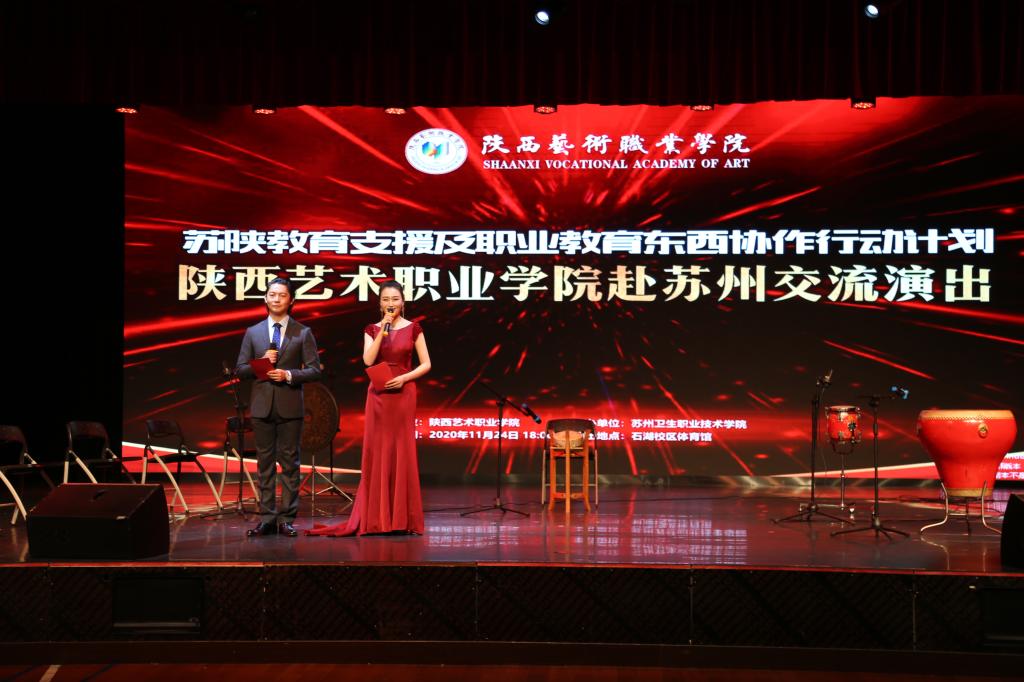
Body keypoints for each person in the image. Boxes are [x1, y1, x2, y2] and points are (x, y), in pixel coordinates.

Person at [308, 280, 430, 536]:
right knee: (379, 451)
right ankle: (377, 518)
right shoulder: (372, 329)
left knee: (402, 450)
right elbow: (368, 359)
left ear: (403, 302)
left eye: (395, 299)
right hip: (378, 395)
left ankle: (401, 519)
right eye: (386, 300)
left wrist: (405, 378)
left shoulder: (414, 328)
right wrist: (383, 330)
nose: (391, 304)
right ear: (380, 304)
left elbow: (426, 364)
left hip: (403, 394)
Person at [235, 277, 322, 537]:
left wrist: (288, 375)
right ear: (265, 298)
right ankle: (267, 518)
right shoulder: (253, 332)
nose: (276, 299)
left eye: (282, 295)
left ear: (291, 300)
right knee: (265, 464)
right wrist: (260, 361)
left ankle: (286, 519)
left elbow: (315, 370)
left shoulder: (302, 332)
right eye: (272, 294)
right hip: (262, 406)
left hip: (290, 406)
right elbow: (240, 370)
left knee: (290, 463)